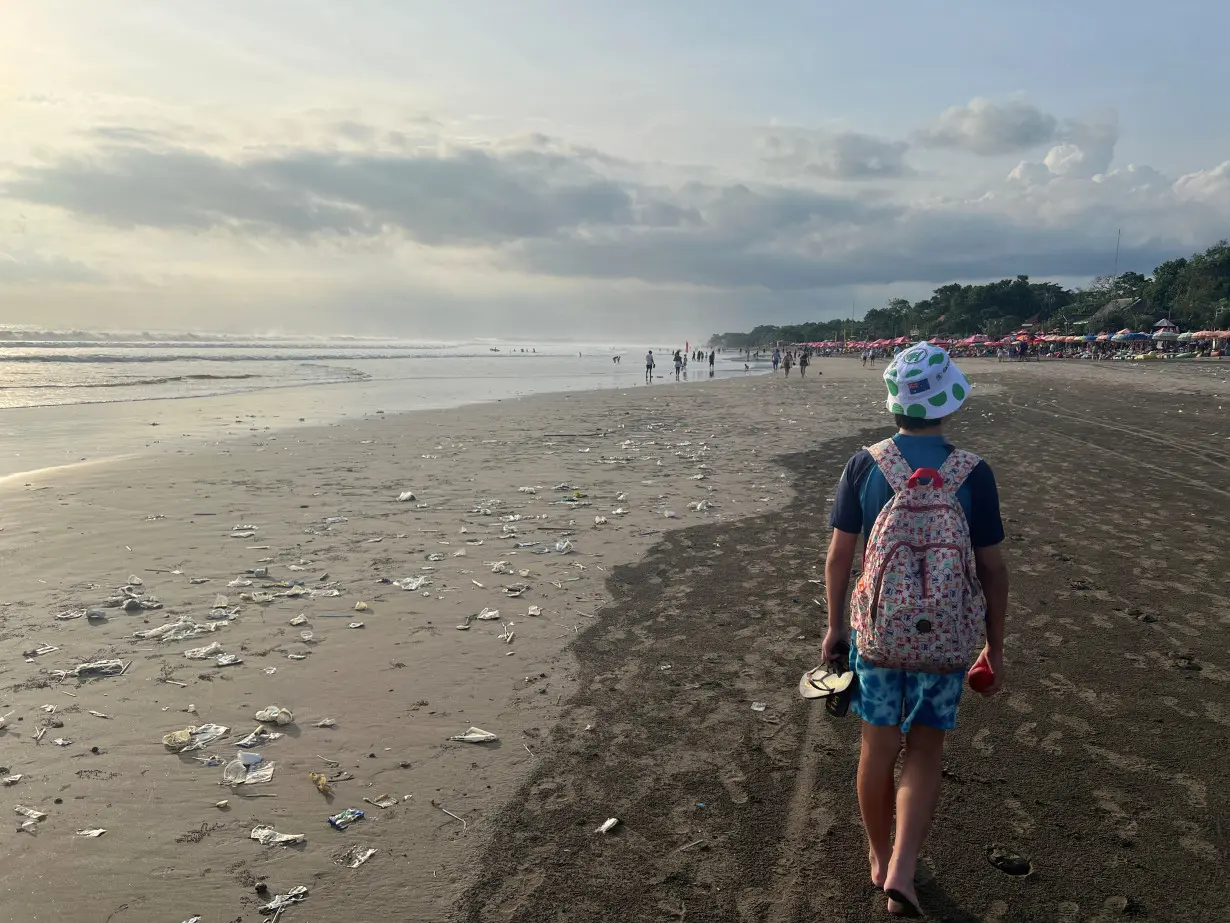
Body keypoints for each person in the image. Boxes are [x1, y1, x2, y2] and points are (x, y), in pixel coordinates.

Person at [822, 342, 1008, 917]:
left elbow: (838, 559)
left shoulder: (864, 465)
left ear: (894, 402)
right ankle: (904, 867)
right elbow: (992, 568)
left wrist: (835, 631)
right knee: (925, 746)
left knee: (877, 746)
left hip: (877, 635)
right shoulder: (973, 473)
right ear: (949, 400)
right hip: (947, 637)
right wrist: (993, 646)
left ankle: (879, 857)